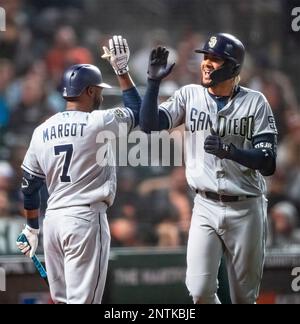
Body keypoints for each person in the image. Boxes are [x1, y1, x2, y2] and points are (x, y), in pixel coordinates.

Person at [140, 33, 278, 304]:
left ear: (233, 67)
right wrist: (153, 83)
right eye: (206, 57)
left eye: (215, 59)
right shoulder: (189, 95)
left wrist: (231, 151)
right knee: (200, 290)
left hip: (246, 207)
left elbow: (269, 161)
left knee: (244, 298)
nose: (206, 63)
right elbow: (149, 124)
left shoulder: (256, 102)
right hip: (204, 205)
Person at [16, 35, 141, 304]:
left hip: (53, 224)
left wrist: (32, 228)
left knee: (61, 301)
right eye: (99, 89)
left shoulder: (42, 130)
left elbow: (29, 184)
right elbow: (137, 111)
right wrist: (122, 71)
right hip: (84, 219)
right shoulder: (98, 121)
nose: (101, 93)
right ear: (88, 92)